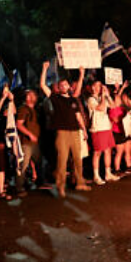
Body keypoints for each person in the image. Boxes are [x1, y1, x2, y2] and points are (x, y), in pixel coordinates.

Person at [39, 61, 90, 197]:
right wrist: (44, 69)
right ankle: (60, 186)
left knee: (78, 159)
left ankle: (80, 183)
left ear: (68, 86)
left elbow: (78, 116)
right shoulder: (55, 98)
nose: (63, 86)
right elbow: (43, 85)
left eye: (65, 84)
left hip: (75, 132)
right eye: (61, 85)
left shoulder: (73, 99)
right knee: (62, 160)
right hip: (62, 133)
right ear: (58, 87)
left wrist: (84, 130)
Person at [86, 81, 119, 185]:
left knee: (108, 151)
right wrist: (104, 96)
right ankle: (96, 175)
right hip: (97, 129)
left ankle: (108, 173)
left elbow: (113, 106)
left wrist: (108, 95)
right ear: (92, 87)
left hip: (106, 127)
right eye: (96, 86)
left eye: (100, 86)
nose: (98, 88)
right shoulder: (91, 99)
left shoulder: (103, 97)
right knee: (97, 153)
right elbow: (100, 108)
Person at [15, 89, 42, 192]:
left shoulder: (34, 110)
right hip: (26, 142)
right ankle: (20, 187)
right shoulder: (23, 109)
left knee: (38, 162)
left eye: (32, 95)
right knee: (23, 165)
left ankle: (36, 182)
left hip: (34, 142)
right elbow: (19, 124)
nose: (31, 97)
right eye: (28, 95)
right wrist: (30, 134)